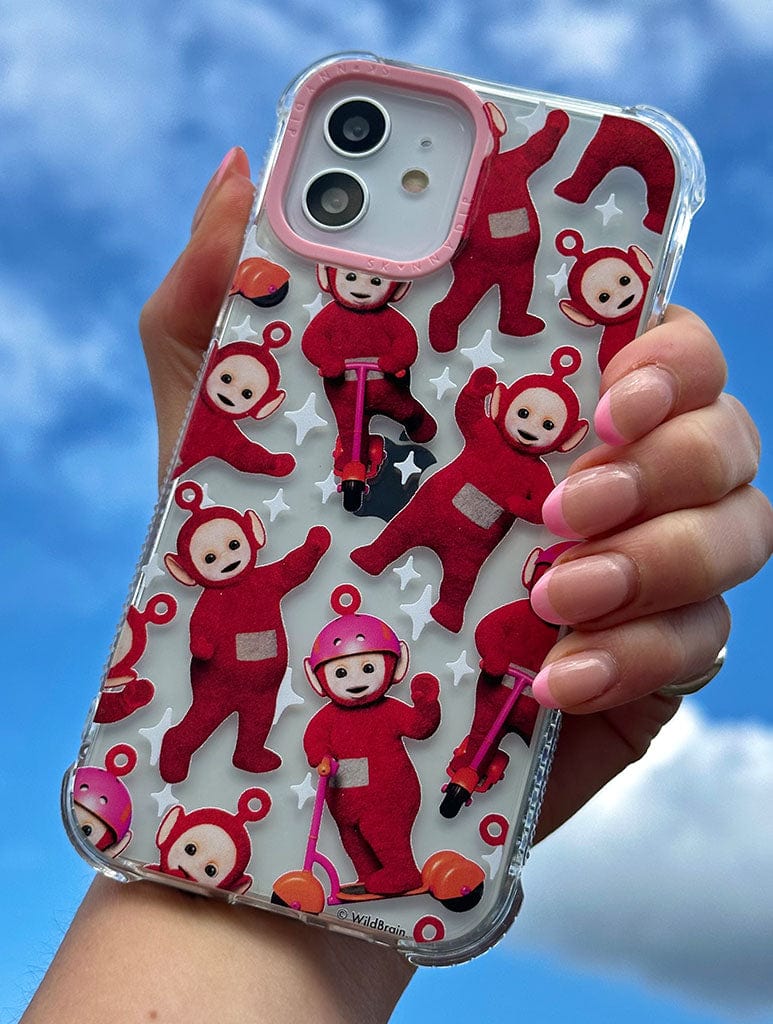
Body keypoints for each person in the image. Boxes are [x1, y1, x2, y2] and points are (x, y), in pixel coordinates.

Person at [22, 147, 773, 1024]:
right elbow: (428, 418)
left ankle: (387, 704)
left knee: (446, 587)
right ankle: (225, 729)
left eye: (543, 420)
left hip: (450, 550)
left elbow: (502, 492)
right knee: (243, 683)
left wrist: (428, 687)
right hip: (372, 546)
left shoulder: (517, 460)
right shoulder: (389, 434)